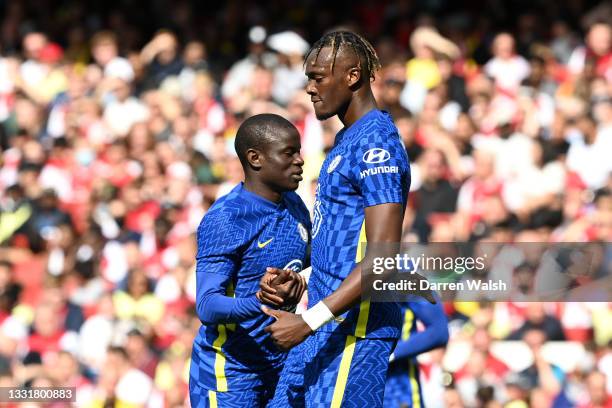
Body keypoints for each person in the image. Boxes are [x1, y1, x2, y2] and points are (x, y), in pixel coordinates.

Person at [262, 31, 430, 407]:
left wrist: (308, 321)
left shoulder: (377, 145)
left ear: (352, 76)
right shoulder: (347, 139)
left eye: (318, 77)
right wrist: (303, 281)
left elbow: (383, 259)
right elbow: (345, 243)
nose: (309, 88)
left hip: (356, 331)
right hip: (325, 324)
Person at [189, 113, 311, 407]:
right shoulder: (227, 218)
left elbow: (311, 266)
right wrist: (260, 300)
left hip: (282, 364)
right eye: (289, 153)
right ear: (255, 158)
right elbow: (206, 305)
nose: (300, 161)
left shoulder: (295, 205)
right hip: (230, 371)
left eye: (299, 151)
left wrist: (299, 281)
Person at [384, 299, 449, 407]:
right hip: (357, 378)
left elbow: (439, 331)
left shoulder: (409, 283)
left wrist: (390, 353)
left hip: (399, 388)